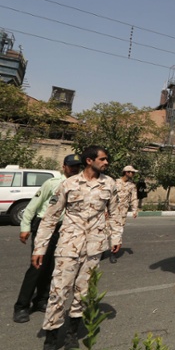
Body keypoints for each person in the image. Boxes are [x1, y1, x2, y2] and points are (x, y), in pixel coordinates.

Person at [32, 146, 123, 350]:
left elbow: (115, 213)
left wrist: (115, 237)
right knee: (58, 291)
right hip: (68, 245)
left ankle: (72, 334)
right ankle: (51, 337)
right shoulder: (69, 184)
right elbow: (50, 217)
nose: (107, 162)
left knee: (83, 292)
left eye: (107, 159)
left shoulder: (110, 184)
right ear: (89, 161)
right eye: (103, 159)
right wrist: (40, 248)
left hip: (94, 246)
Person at [13, 154, 82, 324]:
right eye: (71, 166)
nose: (74, 169)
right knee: (37, 266)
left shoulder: (80, 186)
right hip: (44, 226)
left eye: (77, 166)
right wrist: (25, 227)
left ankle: (41, 300)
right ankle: (21, 306)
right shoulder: (52, 183)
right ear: (64, 166)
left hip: (64, 230)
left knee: (52, 267)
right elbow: (33, 205)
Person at [107, 165, 139, 263]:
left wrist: (134, 210)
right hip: (110, 211)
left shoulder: (132, 185)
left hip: (122, 213)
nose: (133, 174)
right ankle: (102, 250)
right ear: (126, 172)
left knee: (118, 233)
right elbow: (107, 196)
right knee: (106, 231)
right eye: (132, 172)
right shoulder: (115, 182)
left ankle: (113, 254)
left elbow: (134, 198)